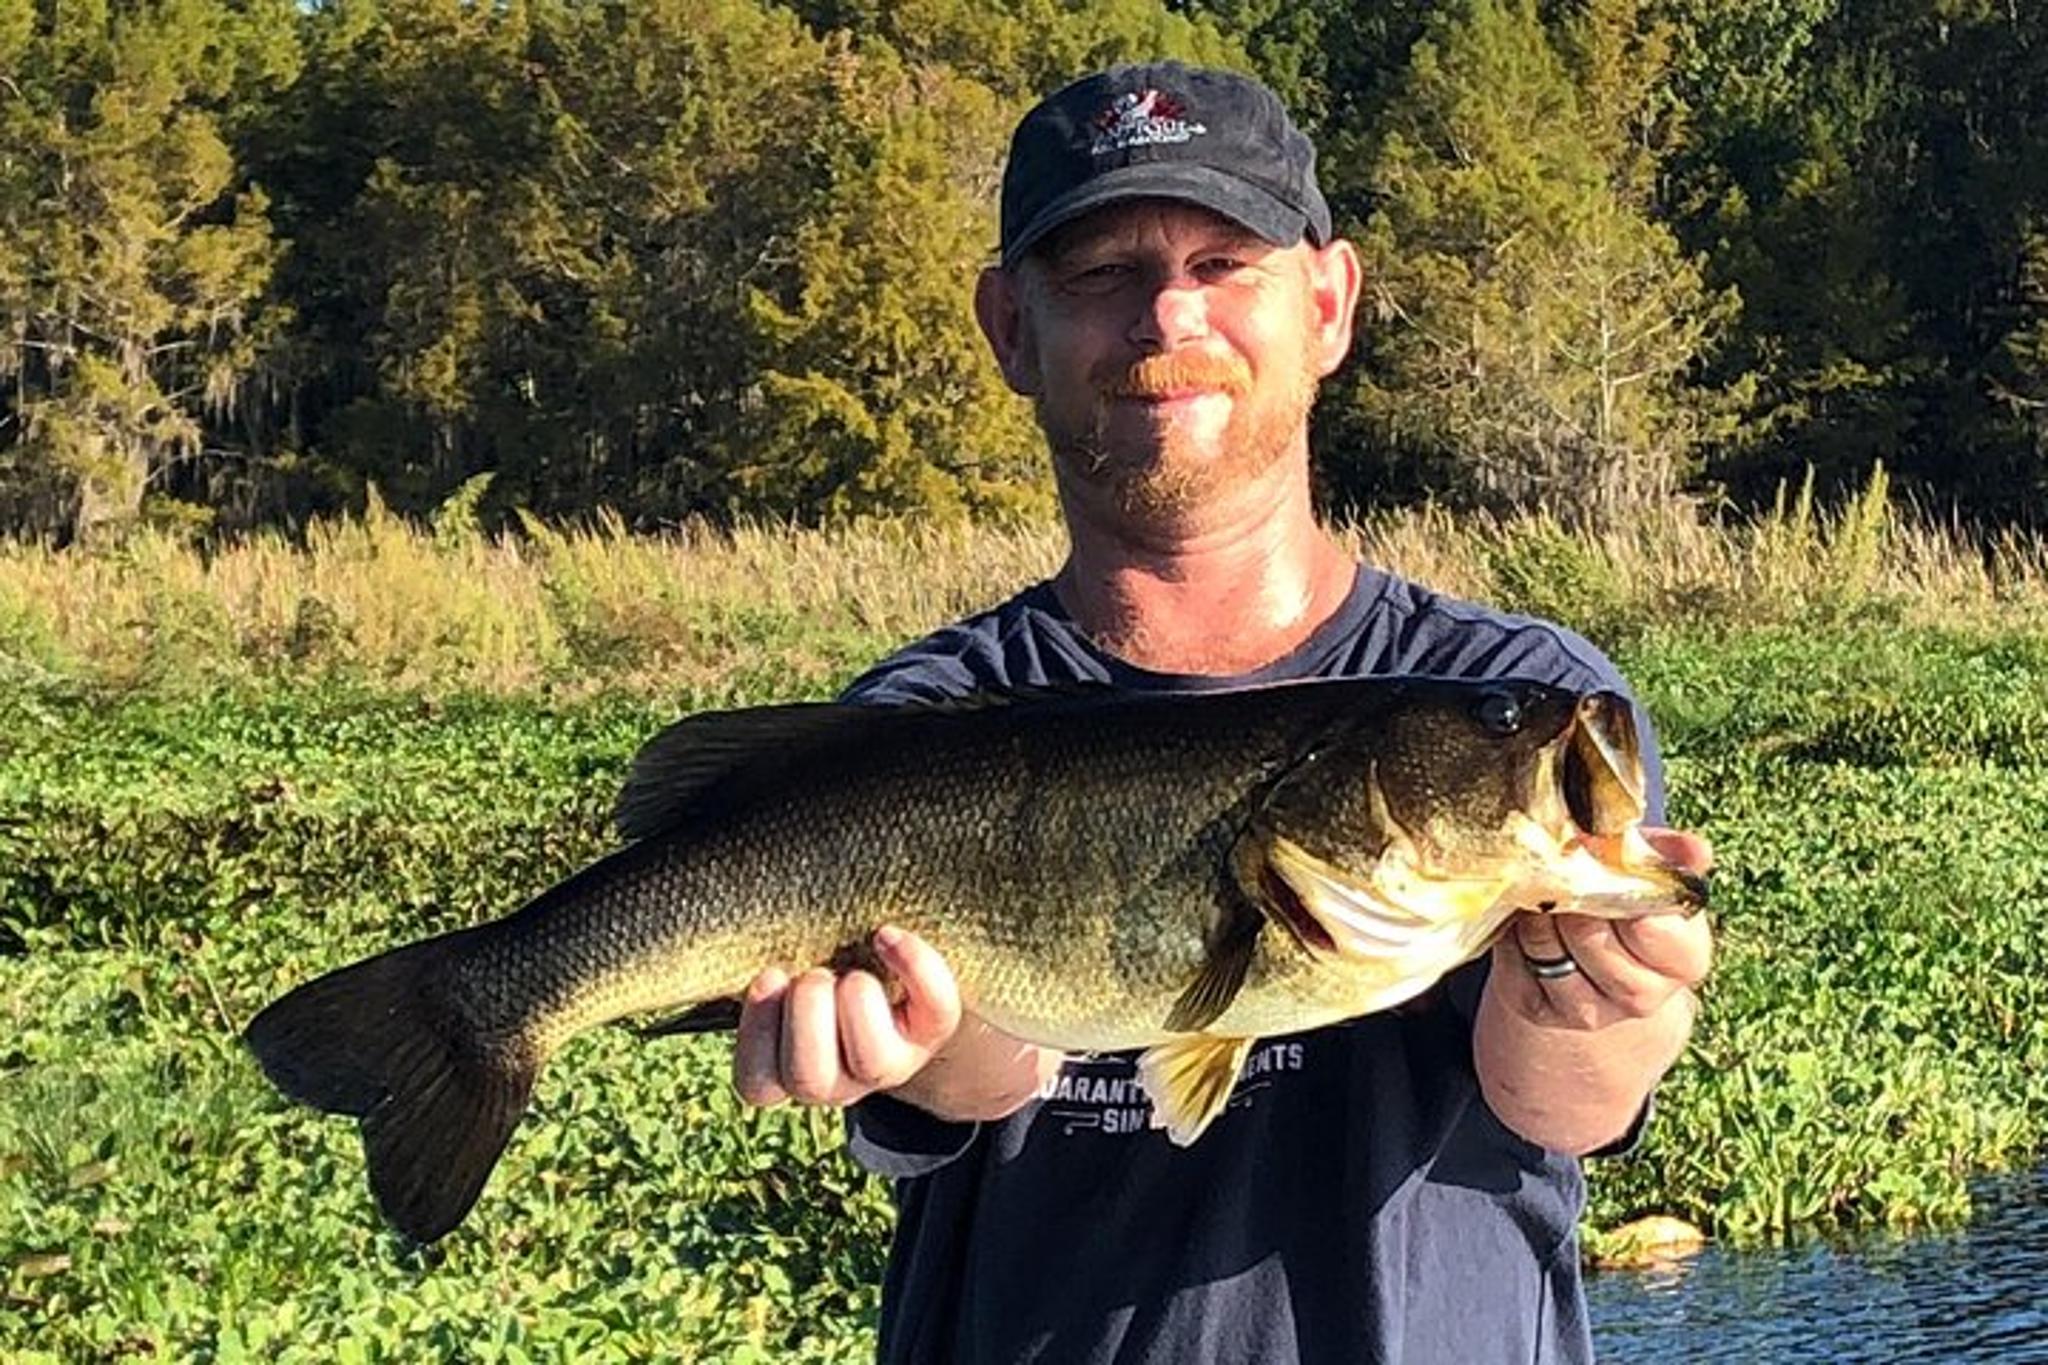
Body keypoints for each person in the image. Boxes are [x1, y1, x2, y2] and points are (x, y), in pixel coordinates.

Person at [731, 61, 1714, 1364]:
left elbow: (1564, 1101)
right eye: (1102, 273)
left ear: (1328, 303)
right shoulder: (923, 726)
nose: (1168, 314)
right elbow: (968, 1088)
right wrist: (912, 1040)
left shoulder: (1514, 687)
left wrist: (1593, 998)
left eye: (1226, 260)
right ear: (1009, 327)